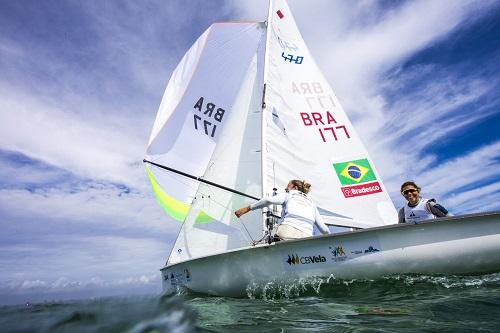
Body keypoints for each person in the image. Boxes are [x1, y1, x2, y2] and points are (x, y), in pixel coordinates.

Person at [234, 180, 330, 240]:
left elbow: (267, 200)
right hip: (307, 236)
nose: (285, 188)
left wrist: (247, 209)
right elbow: (324, 229)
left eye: (288, 186)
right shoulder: (312, 202)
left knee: (272, 237)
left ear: (295, 188)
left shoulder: (289, 195)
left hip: (287, 232)